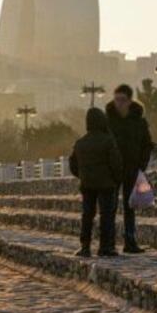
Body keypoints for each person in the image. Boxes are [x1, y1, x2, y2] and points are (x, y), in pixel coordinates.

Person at [69, 107, 123, 257]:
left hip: (87, 184)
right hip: (106, 184)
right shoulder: (108, 141)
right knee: (106, 216)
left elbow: (73, 165)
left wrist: (83, 175)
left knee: (87, 215)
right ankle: (105, 247)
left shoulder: (80, 143)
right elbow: (116, 163)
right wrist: (116, 179)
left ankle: (85, 246)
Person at [106, 84, 153, 254]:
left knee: (130, 207)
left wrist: (141, 164)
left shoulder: (139, 121)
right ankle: (108, 243)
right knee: (110, 207)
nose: (119, 103)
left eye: (122, 100)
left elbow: (147, 144)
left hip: (132, 169)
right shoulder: (108, 121)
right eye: (116, 99)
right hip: (112, 170)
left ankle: (130, 242)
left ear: (130, 101)